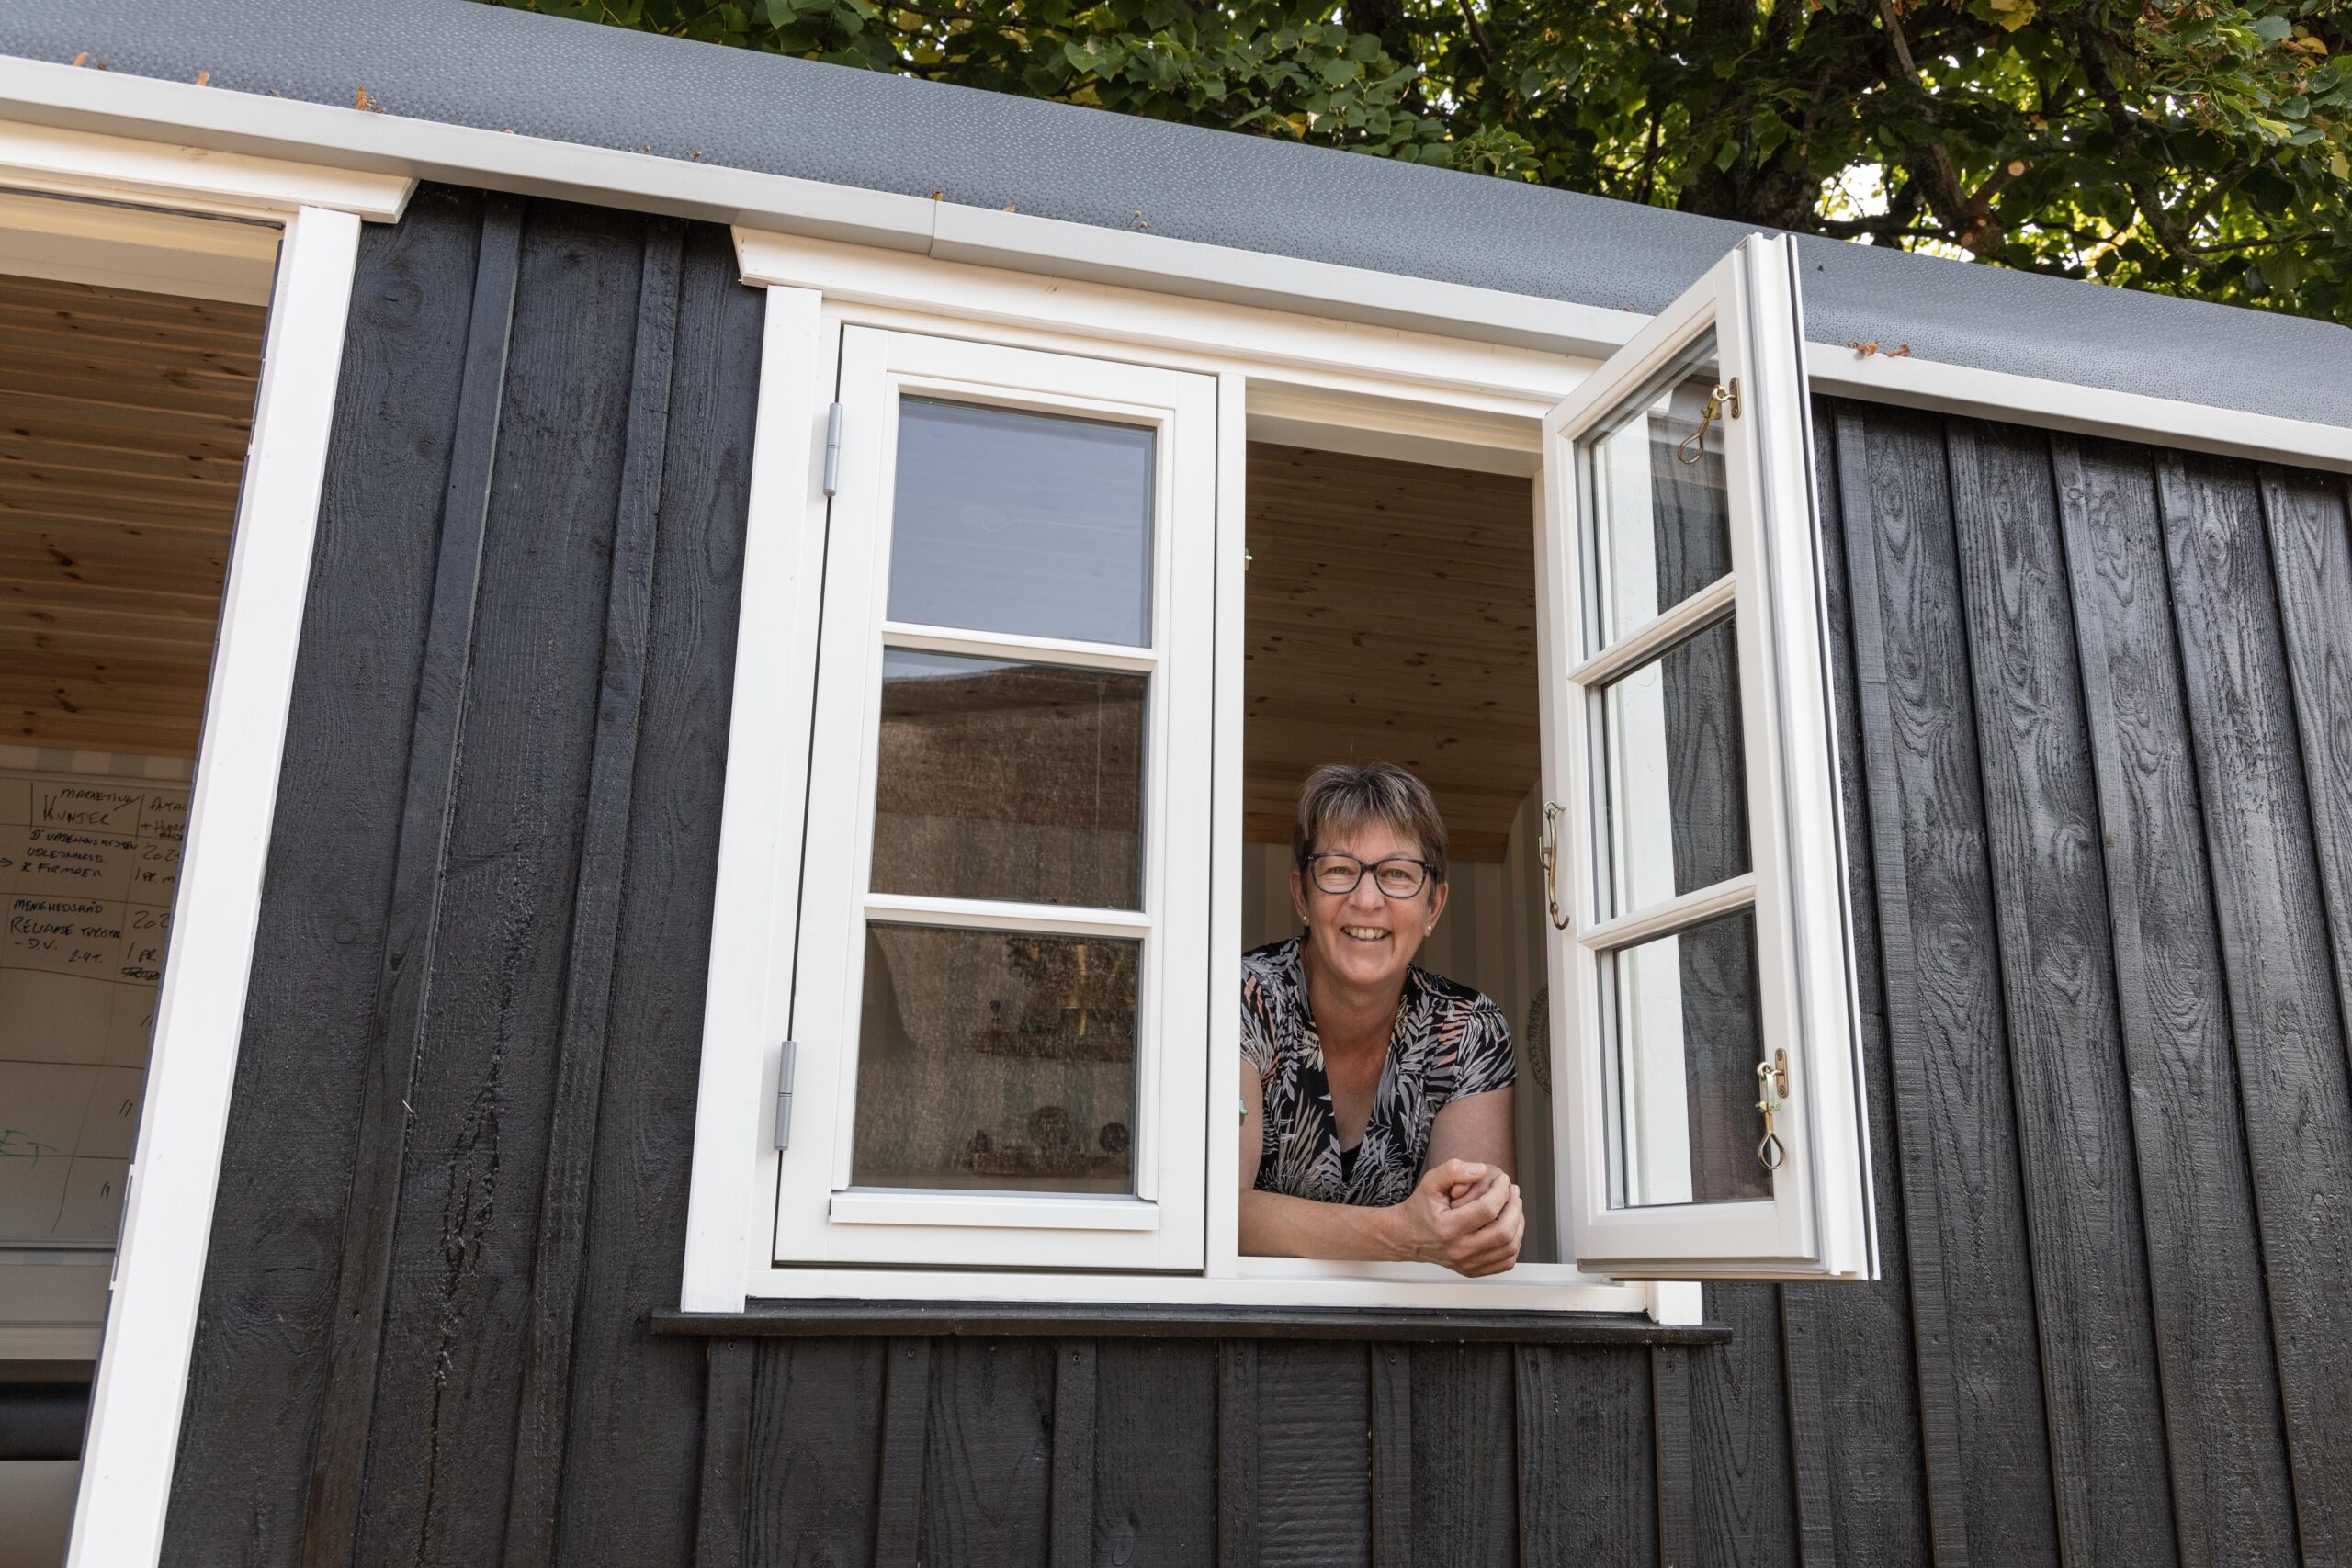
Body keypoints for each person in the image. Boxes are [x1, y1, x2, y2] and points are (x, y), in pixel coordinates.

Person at [1239, 761, 1524, 1276]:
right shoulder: (1242, 998)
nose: (1366, 900)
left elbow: (1469, 1237)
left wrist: (1479, 1229)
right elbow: (1214, 1209)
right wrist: (1403, 1235)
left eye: (1397, 873)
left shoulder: (1469, 1031)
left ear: (1434, 905)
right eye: (1338, 870)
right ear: (1302, 895)